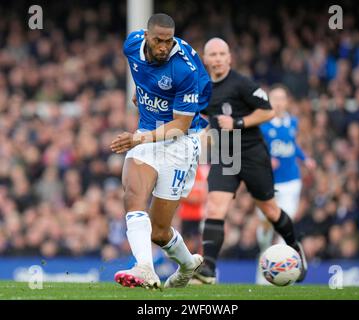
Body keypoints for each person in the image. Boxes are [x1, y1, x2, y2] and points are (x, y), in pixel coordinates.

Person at [192, 38, 307, 285]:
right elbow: (203, 113)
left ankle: (296, 248)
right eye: (213, 54)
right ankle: (208, 270)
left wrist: (238, 123)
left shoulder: (242, 83)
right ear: (205, 59)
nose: (218, 58)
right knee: (215, 207)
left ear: (230, 58)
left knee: (270, 211)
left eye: (223, 54)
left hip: (253, 155)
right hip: (225, 156)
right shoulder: (202, 87)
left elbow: (268, 111)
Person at [110, 13, 211, 289]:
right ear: (146, 36)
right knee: (133, 196)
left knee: (159, 231)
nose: (164, 46)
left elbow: (180, 124)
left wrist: (137, 140)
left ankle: (188, 264)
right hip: (147, 132)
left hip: (179, 141)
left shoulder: (184, 69)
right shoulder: (131, 45)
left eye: (168, 41)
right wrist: (142, 92)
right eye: (158, 40)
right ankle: (144, 268)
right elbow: (140, 73)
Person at [257, 84, 316, 252]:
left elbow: (293, 145)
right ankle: (264, 249)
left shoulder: (293, 122)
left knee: (286, 223)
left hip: (291, 181)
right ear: (269, 101)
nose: (279, 102)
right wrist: (267, 159)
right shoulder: (262, 124)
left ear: (287, 102)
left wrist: (305, 159)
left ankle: (279, 263)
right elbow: (254, 150)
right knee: (266, 225)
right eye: (275, 98)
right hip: (269, 183)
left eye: (282, 99)